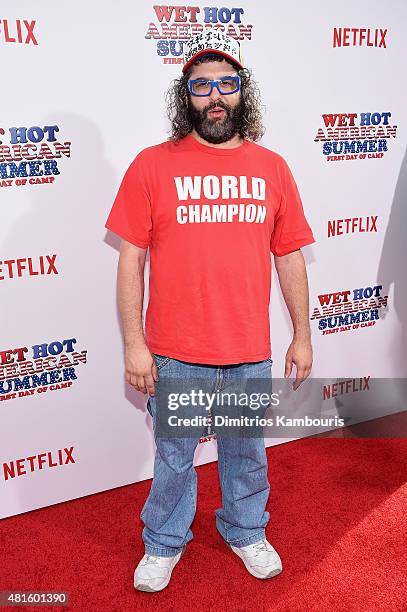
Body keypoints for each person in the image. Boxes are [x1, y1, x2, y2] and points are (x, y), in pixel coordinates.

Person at [105, 30, 315, 592]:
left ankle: (246, 529)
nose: (214, 96)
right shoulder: (152, 165)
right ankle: (163, 542)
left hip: (248, 348)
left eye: (226, 84)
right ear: (186, 96)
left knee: (245, 453)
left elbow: (289, 255)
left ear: (244, 93)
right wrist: (134, 343)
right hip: (175, 351)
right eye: (202, 86)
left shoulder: (273, 168)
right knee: (175, 458)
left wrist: (303, 334)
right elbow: (131, 262)